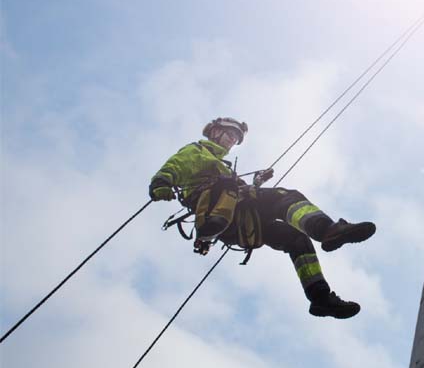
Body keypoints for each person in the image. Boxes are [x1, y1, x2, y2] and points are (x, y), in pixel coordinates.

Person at [148, 117, 375, 319]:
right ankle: (326, 230)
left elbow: (236, 194)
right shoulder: (199, 151)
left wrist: (256, 183)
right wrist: (162, 182)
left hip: (235, 220)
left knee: (296, 240)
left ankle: (320, 298)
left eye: (235, 139)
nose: (231, 141)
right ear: (215, 132)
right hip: (224, 211)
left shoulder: (223, 167)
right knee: (286, 197)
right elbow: (178, 165)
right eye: (229, 134)